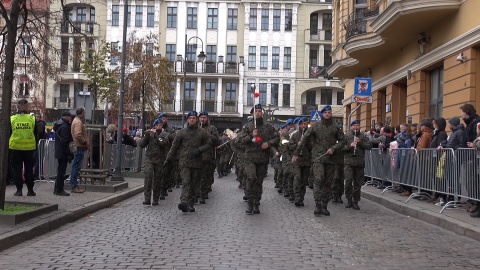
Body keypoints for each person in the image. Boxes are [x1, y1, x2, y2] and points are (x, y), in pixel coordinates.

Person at [292, 105, 345, 216]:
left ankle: (324, 204)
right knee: (319, 179)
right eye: (325, 112)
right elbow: (304, 139)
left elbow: (342, 141)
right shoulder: (316, 126)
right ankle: (318, 204)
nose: (327, 114)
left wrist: (334, 148)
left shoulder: (335, 127)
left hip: (330, 159)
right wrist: (296, 153)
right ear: (322, 114)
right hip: (318, 158)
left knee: (328, 183)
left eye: (329, 112)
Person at [165, 111, 212, 213]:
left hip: (197, 162)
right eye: (190, 118)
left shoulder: (202, 132)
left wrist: (200, 149)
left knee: (194, 183)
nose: (192, 119)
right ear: (187, 119)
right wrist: (168, 159)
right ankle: (184, 201)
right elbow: (174, 147)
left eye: (194, 118)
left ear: (196, 119)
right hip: (184, 161)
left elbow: (209, 144)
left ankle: (191, 202)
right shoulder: (182, 132)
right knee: (186, 182)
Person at [238, 104, 279, 214]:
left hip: (262, 158)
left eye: (260, 111)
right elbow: (240, 140)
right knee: (251, 178)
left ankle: (256, 203)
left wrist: (268, 143)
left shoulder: (268, 127)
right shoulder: (247, 126)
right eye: (256, 111)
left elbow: (277, 137)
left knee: (259, 182)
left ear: (262, 113)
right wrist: (251, 136)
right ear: (253, 113)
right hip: (249, 158)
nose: (258, 113)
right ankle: (250, 203)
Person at [10, 99, 38, 196]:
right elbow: (36, 134)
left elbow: (9, 133)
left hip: (15, 148)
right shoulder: (32, 118)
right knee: (29, 169)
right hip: (29, 149)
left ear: (18, 106)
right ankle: (30, 190)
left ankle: (19, 190)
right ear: (27, 107)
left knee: (17, 170)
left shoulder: (12, 118)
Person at [343, 120, 372, 210]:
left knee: (357, 183)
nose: (356, 127)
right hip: (349, 162)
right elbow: (341, 148)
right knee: (348, 181)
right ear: (351, 127)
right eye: (354, 125)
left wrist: (360, 143)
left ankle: (355, 201)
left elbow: (369, 146)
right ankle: (348, 199)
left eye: (357, 125)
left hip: (359, 162)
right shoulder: (346, 136)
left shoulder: (363, 136)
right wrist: (350, 146)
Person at [140, 118, 169, 205]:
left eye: (160, 125)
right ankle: (147, 198)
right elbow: (141, 145)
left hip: (159, 159)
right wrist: (146, 135)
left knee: (157, 179)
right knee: (148, 176)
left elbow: (163, 143)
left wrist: (156, 135)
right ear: (154, 126)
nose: (158, 127)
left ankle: (155, 198)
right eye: (157, 125)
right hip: (149, 158)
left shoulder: (165, 134)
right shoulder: (150, 134)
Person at [198, 111, 220, 204]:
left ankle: (205, 191)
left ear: (208, 118)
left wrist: (208, 135)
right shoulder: (196, 128)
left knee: (207, 176)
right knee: (199, 177)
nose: (202, 119)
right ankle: (200, 194)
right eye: (201, 117)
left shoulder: (212, 129)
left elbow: (216, 141)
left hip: (208, 157)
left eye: (204, 117)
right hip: (198, 156)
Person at [289, 117, 312, 206]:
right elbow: (289, 147)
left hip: (306, 160)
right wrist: (297, 144)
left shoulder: (310, 135)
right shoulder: (294, 135)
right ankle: (297, 196)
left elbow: (313, 147)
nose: (303, 126)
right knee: (297, 178)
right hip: (297, 160)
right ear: (299, 125)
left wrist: (306, 142)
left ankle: (301, 197)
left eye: (305, 124)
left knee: (304, 180)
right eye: (302, 124)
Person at [53, 110, 74, 196]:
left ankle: (56, 188)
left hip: (59, 151)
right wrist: (69, 154)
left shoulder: (59, 125)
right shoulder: (64, 127)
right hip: (63, 152)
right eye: (70, 116)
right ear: (66, 116)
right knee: (61, 171)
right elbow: (65, 142)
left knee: (60, 171)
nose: (71, 118)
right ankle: (59, 189)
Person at [70, 107, 88, 193]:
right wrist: (84, 142)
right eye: (84, 112)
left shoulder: (77, 121)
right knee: (76, 167)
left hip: (79, 146)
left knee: (76, 166)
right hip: (79, 146)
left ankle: (74, 185)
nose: (85, 113)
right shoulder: (78, 122)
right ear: (81, 113)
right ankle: (74, 186)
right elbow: (78, 134)